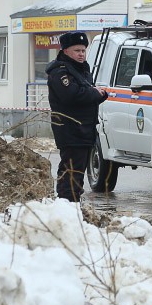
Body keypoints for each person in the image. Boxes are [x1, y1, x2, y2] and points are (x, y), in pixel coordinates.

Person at [46, 31, 108, 202]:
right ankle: (67, 204)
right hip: (70, 130)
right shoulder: (60, 72)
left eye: (83, 50)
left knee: (78, 173)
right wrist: (95, 93)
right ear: (66, 51)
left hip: (84, 130)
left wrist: (99, 94)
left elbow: (86, 94)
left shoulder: (81, 70)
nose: (81, 54)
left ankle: (73, 205)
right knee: (70, 171)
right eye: (77, 51)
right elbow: (72, 96)